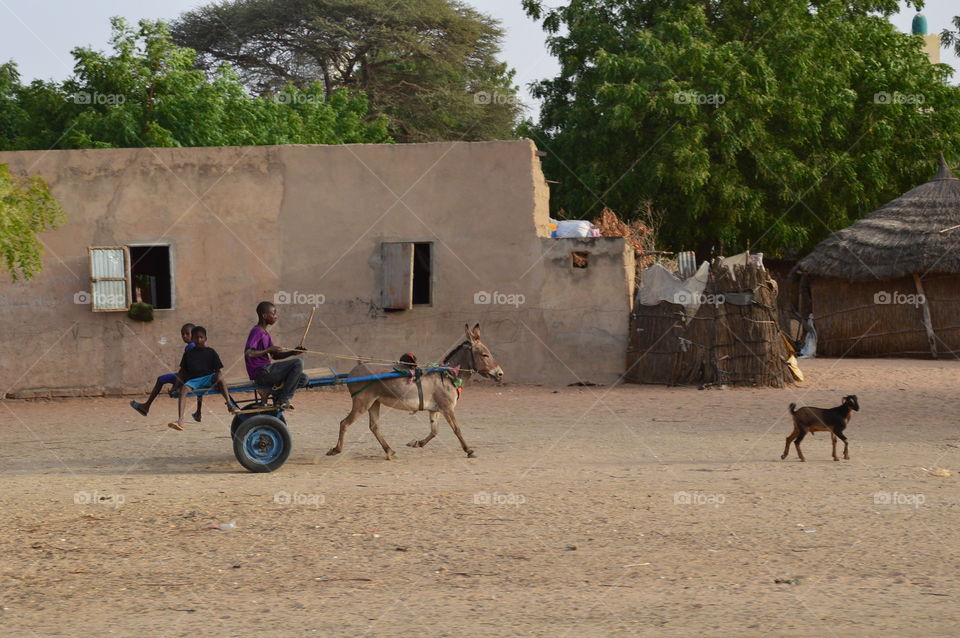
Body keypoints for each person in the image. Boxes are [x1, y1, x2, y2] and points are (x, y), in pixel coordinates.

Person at [169, 325, 240, 431]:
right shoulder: (188, 354)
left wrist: (218, 382)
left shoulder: (211, 352)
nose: (199, 340)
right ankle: (180, 420)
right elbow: (182, 372)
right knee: (183, 390)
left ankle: (229, 404)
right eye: (196, 338)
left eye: (201, 337)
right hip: (194, 381)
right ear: (192, 339)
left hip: (209, 378)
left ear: (205, 338)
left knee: (219, 376)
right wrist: (175, 386)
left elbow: (218, 371)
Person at [130, 323, 203, 421]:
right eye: (182, 334)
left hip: (187, 377)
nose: (184, 336)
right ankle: (198, 412)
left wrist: (175, 386)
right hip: (196, 377)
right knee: (200, 388)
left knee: (161, 379)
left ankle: (146, 406)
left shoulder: (190, 347)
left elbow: (184, 370)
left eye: (187, 334)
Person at [244, 301, 307, 409]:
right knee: (298, 363)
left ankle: (273, 393)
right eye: (273, 314)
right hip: (261, 372)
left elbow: (275, 356)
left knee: (304, 378)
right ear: (264, 316)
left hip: (268, 371)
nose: (276, 317)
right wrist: (268, 349)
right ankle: (283, 399)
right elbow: (248, 353)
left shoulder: (265, 334)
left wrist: (293, 352)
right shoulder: (257, 331)